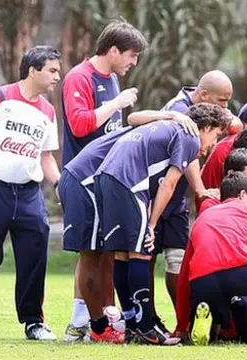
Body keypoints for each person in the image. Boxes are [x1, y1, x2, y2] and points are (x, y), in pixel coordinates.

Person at [59, 108, 201, 343]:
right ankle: (99, 327)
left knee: (118, 252)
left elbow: (133, 118)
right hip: (85, 178)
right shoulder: (176, 132)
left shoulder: (154, 134)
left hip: (94, 178)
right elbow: (133, 118)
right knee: (92, 254)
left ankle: (126, 323)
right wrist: (173, 115)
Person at [93, 104, 229, 345]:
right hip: (128, 181)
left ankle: (134, 325)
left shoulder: (170, 126)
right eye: (216, 135)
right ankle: (145, 328)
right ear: (205, 127)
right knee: (141, 252)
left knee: (123, 254)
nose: (211, 144)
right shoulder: (189, 136)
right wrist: (152, 225)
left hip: (105, 177)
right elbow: (169, 184)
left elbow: (134, 118)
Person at [126, 70, 239, 334]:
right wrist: (200, 190)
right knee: (146, 256)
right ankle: (147, 319)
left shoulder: (199, 108)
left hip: (174, 200)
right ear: (203, 96)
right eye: (222, 102)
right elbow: (189, 153)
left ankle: (184, 321)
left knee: (177, 259)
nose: (225, 108)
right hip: (154, 194)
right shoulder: (180, 110)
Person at [61, 20, 147, 342]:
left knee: (107, 252)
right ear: (112, 50)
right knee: (89, 252)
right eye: (131, 55)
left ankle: (101, 324)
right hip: (83, 179)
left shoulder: (111, 79)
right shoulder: (78, 78)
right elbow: (81, 125)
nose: (133, 63)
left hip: (107, 180)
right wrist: (115, 104)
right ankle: (81, 322)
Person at [0, 45, 62, 340]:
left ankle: (34, 321)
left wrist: (59, 185)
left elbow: (46, 157)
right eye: (52, 70)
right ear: (33, 70)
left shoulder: (47, 110)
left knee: (34, 256)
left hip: (30, 193)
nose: (58, 76)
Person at [174, 172, 247, 346]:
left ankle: (202, 320)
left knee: (215, 290)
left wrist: (181, 326)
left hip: (202, 281)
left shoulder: (204, 216)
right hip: (242, 275)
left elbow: (185, 274)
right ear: (243, 194)